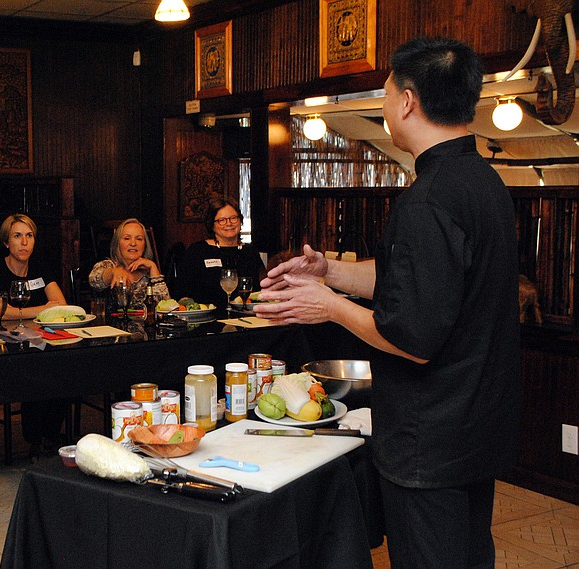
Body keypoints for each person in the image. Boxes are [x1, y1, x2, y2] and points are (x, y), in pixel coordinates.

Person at [255, 37, 520, 569]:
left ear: (406, 100)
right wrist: (331, 271)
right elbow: (424, 281)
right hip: (475, 428)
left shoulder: (429, 199)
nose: (383, 106)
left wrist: (328, 305)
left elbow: (412, 338)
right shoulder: (485, 182)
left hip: (430, 439)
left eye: (386, 92)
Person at [0, 213, 67, 460]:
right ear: (7, 242)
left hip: (41, 341)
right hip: (4, 346)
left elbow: (61, 303)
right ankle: (36, 440)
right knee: (35, 370)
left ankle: (50, 435)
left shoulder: (40, 266)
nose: (24, 242)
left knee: (67, 364)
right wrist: (41, 309)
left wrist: (24, 312)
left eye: (29, 236)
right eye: (17, 236)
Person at [173, 197, 266, 306]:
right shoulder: (198, 251)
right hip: (208, 318)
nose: (229, 223)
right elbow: (181, 291)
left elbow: (261, 289)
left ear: (240, 221)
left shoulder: (250, 251)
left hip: (246, 316)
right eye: (221, 220)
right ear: (212, 225)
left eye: (233, 218)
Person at [89, 218, 169, 312]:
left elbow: (166, 309)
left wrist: (153, 267)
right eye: (127, 238)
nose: (133, 243)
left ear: (145, 245)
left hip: (147, 326)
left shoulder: (149, 273)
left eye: (139, 239)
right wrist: (113, 272)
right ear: (117, 243)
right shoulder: (107, 265)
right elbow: (94, 280)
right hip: (112, 326)